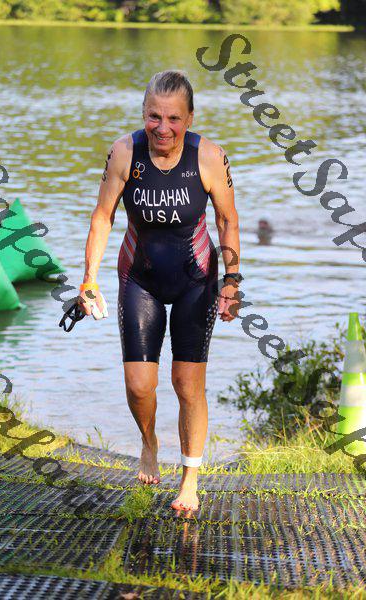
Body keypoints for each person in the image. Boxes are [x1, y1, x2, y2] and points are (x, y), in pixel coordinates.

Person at [79, 70, 241, 513]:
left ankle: (189, 480)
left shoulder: (209, 157)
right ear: (143, 114)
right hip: (140, 278)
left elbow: (227, 220)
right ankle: (149, 441)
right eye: (154, 116)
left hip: (196, 281)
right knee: (139, 385)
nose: (163, 127)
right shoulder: (123, 153)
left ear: (190, 118)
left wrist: (232, 281)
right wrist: (89, 278)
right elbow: (102, 216)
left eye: (173, 118)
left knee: (187, 383)